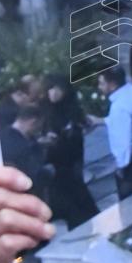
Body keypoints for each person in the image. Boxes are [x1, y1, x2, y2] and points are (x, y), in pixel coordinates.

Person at [87, 66, 132, 199]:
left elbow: (122, 143)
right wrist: (101, 121)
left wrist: (120, 167)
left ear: (112, 84)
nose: (99, 87)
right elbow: (129, 121)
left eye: (102, 83)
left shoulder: (119, 107)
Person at [41, 74, 99, 230]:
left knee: (77, 192)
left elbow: (79, 128)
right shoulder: (45, 109)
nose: (53, 93)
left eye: (58, 89)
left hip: (71, 157)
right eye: (51, 89)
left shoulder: (70, 108)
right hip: (56, 161)